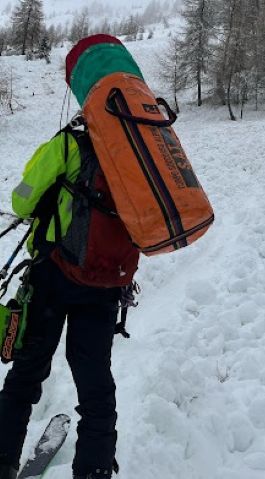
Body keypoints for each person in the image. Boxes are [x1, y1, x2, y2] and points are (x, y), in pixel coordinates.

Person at [0, 77, 138, 479]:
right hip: (107, 284)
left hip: (52, 276)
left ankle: (3, 458)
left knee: (27, 371)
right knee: (95, 380)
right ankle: (94, 468)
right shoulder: (135, 157)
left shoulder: (69, 143)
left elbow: (21, 199)